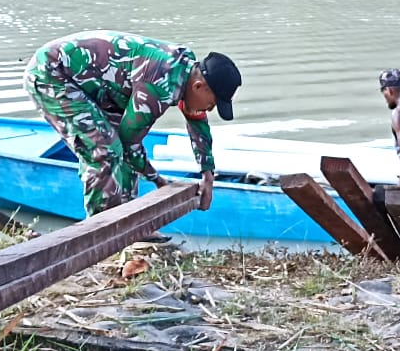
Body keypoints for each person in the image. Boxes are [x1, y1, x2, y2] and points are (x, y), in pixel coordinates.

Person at [24, 31, 241, 216]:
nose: (209, 110)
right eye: (212, 104)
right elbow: (129, 144)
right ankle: (101, 231)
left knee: (123, 150)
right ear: (198, 86)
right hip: (52, 74)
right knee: (105, 150)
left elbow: (197, 123)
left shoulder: (186, 71)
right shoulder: (158, 86)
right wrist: (158, 180)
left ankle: (127, 222)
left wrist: (207, 174)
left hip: (100, 86)